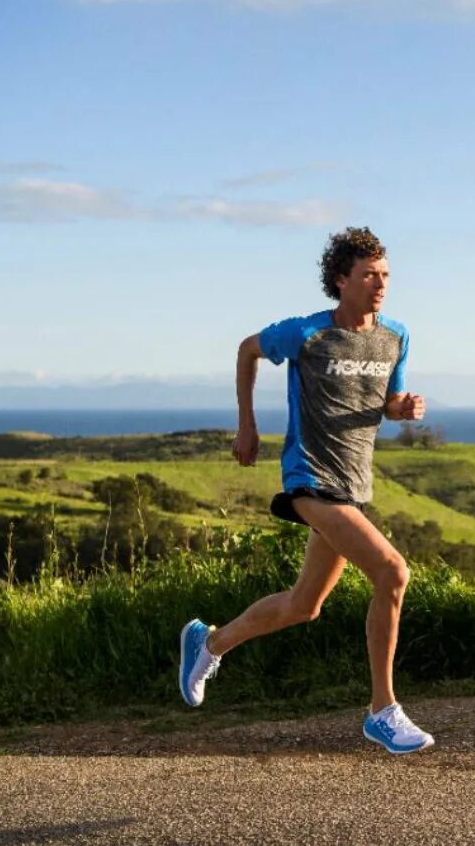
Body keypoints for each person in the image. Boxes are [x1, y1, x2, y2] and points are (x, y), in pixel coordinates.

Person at [178, 226, 434, 754]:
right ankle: (382, 710)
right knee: (392, 571)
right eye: (369, 275)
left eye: (385, 274)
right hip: (310, 479)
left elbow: (387, 400)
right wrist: (246, 426)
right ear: (341, 280)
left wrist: (401, 410)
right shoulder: (306, 333)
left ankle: (210, 642)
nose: (380, 283)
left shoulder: (396, 336)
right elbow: (247, 351)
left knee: (303, 606)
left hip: (353, 484)